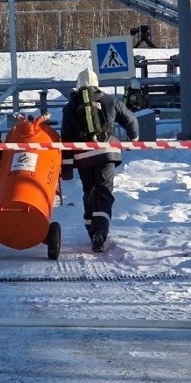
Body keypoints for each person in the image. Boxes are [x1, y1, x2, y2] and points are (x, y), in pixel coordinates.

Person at [61, 68, 139, 253]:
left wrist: (67, 166)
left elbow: (66, 139)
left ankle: (92, 229)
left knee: (89, 192)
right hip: (107, 153)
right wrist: (133, 139)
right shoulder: (110, 100)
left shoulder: (69, 107)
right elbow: (131, 120)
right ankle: (100, 233)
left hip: (83, 157)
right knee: (104, 192)